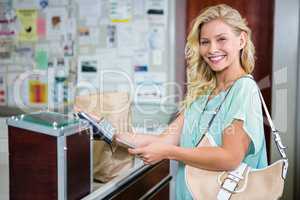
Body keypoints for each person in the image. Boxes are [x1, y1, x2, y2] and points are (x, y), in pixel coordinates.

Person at [115, 4, 267, 199]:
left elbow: (230, 158)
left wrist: (170, 152)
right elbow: (163, 141)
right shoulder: (202, 94)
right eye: (205, 42)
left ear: (241, 40)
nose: (212, 49)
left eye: (221, 39)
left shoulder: (244, 89)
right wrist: (109, 133)